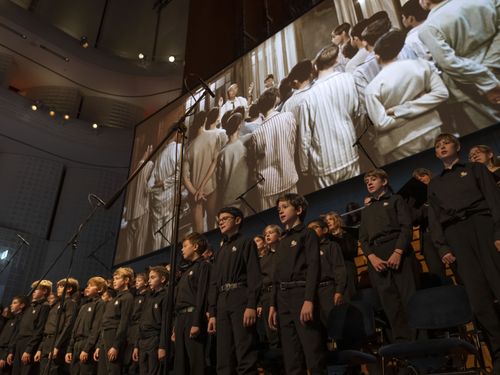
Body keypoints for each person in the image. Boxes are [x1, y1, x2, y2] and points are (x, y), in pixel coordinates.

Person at [427, 133, 500, 373]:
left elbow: (494, 200)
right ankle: (498, 353)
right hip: (456, 236)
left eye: (445, 143)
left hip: (483, 226)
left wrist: (498, 231)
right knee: (478, 299)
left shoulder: (476, 169)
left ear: (456, 147)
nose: (441, 147)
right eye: (438, 146)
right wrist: (442, 247)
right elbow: (434, 220)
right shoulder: (435, 184)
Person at [365, 30, 449, 164]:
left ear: (377, 57)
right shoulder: (421, 65)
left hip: (400, 142)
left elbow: (382, 124)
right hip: (431, 127)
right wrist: (413, 110)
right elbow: (441, 93)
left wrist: (401, 110)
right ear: (397, 52)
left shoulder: (372, 88)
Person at [418, 0, 500, 131]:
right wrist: (490, 65)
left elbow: (449, 63)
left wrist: (488, 82)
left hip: (471, 87)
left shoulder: (428, 28)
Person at [268, 194, 326, 374]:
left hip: (301, 295)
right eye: (279, 208)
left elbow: (314, 267)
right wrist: (272, 305)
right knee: (291, 357)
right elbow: (276, 276)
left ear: (299, 210)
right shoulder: (282, 240)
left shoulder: (307, 234)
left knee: (312, 352)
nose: (280, 210)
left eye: (285, 207)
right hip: (283, 300)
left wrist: (309, 300)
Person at [359, 169, 417, 342]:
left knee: (409, 300)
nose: (369, 182)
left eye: (373, 179)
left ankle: (421, 346)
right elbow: (363, 239)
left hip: (398, 251)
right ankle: (403, 349)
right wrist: (372, 258)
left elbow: (407, 227)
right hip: (377, 258)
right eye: (367, 181)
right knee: (390, 305)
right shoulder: (366, 210)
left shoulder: (395, 200)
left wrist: (398, 251)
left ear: (384, 182)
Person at [207, 207, 262, 375]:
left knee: (244, 349)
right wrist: (212, 312)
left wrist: (251, 305)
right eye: (219, 220)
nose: (220, 222)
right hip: (222, 301)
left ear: (237, 220)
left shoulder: (246, 242)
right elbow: (214, 282)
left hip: (240, 298)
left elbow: (254, 276)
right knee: (223, 354)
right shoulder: (221, 250)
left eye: (225, 218)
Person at [297, 44, 360, 190]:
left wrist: (304, 166)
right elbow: (356, 112)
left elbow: (304, 137)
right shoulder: (348, 79)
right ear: (336, 60)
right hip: (349, 151)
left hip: (324, 162)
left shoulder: (308, 97)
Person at [250, 88, 299, 210]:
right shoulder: (288, 117)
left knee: (272, 224)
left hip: (267, 185)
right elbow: (293, 141)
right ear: (274, 102)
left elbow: (256, 159)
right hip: (288, 176)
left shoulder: (257, 133)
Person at [174, 233, 211, 375]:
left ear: (195, 247)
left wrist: (196, 322)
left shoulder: (204, 266)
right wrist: (175, 327)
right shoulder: (187, 270)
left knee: (195, 361)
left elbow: (202, 295)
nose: (182, 250)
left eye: (185, 246)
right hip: (181, 318)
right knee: (180, 363)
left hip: (193, 316)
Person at [184, 111, 226, 233]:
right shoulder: (215, 136)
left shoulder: (188, 147)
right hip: (210, 187)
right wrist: (202, 188)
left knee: (199, 231)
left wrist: (196, 192)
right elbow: (214, 163)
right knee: (212, 224)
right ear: (204, 121)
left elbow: (185, 178)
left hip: (195, 193)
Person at [307, 219, 347, 327]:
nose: (311, 231)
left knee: (336, 325)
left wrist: (339, 291)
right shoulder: (307, 251)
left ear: (324, 230)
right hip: (313, 292)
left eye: (315, 227)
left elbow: (339, 269)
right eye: (309, 229)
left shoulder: (332, 246)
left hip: (329, 289)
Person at [94, 267, 134, 375]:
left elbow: (124, 323)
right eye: (114, 278)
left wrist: (116, 345)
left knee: (112, 369)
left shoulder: (128, 298)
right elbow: (104, 324)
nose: (114, 281)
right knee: (102, 371)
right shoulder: (114, 300)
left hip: (114, 336)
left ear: (126, 280)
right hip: (105, 336)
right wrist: (99, 345)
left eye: (117, 278)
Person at [35, 278, 79, 374]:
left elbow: (68, 325)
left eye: (61, 286)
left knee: (52, 370)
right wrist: (40, 348)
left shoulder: (70, 303)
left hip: (57, 342)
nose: (58, 288)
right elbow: (47, 327)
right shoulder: (56, 304)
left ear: (69, 289)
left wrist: (57, 346)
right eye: (58, 286)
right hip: (46, 342)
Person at [65, 276, 107, 374]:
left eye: (91, 286)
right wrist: (69, 349)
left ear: (99, 289)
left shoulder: (100, 304)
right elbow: (75, 328)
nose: (87, 288)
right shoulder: (84, 306)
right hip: (76, 345)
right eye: (87, 285)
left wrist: (86, 349)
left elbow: (96, 329)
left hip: (86, 344)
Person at [9, 280, 51, 375]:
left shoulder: (45, 306)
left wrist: (29, 350)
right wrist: (12, 350)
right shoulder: (29, 307)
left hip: (29, 343)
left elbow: (39, 329)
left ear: (44, 291)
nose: (33, 291)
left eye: (36, 289)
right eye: (33, 289)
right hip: (19, 343)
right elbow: (19, 330)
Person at [149, 133, 182, 251]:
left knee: (156, 233)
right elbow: (179, 175)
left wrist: (154, 187)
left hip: (158, 196)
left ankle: (156, 261)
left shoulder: (159, 155)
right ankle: (164, 262)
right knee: (167, 231)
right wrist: (164, 183)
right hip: (169, 195)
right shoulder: (179, 149)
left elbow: (151, 181)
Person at [133, 266, 168, 375]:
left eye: (152, 277)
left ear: (162, 279)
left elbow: (165, 323)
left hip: (154, 339)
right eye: (149, 278)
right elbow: (141, 321)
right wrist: (136, 345)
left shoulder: (165, 296)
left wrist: (162, 346)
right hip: (142, 340)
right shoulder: (148, 296)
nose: (149, 281)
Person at [123, 145, 154, 260]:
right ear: (148, 149)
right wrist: (154, 187)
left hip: (131, 211)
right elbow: (145, 187)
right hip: (142, 209)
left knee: (129, 243)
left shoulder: (136, 168)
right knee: (140, 243)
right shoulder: (149, 165)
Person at [216, 113, 249, 212]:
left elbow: (219, 178)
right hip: (244, 196)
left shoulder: (222, 152)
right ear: (239, 126)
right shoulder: (244, 145)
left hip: (227, 198)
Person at [323, 212, 359, 298]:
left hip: (347, 266)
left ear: (337, 220)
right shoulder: (327, 239)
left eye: (330, 219)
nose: (328, 222)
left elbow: (352, 252)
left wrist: (335, 238)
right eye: (326, 220)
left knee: (350, 295)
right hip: (333, 271)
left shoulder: (347, 234)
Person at [258, 225, 281, 350]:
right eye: (266, 233)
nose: (267, 235)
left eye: (271, 232)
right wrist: (260, 304)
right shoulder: (263, 260)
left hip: (282, 293)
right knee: (272, 332)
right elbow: (260, 282)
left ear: (279, 235)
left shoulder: (284, 253)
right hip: (267, 296)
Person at [125, 273, 148, 374]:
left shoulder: (147, 296)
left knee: (135, 363)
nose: (136, 283)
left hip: (139, 328)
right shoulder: (136, 296)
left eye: (139, 281)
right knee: (127, 362)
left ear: (146, 282)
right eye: (136, 281)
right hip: (131, 328)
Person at [0, 296, 26, 374]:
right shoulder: (11, 319)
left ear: (22, 305)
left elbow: (13, 339)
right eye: (12, 303)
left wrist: (4, 356)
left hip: (5, 354)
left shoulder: (21, 320)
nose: (11, 305)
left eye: (14, 303)